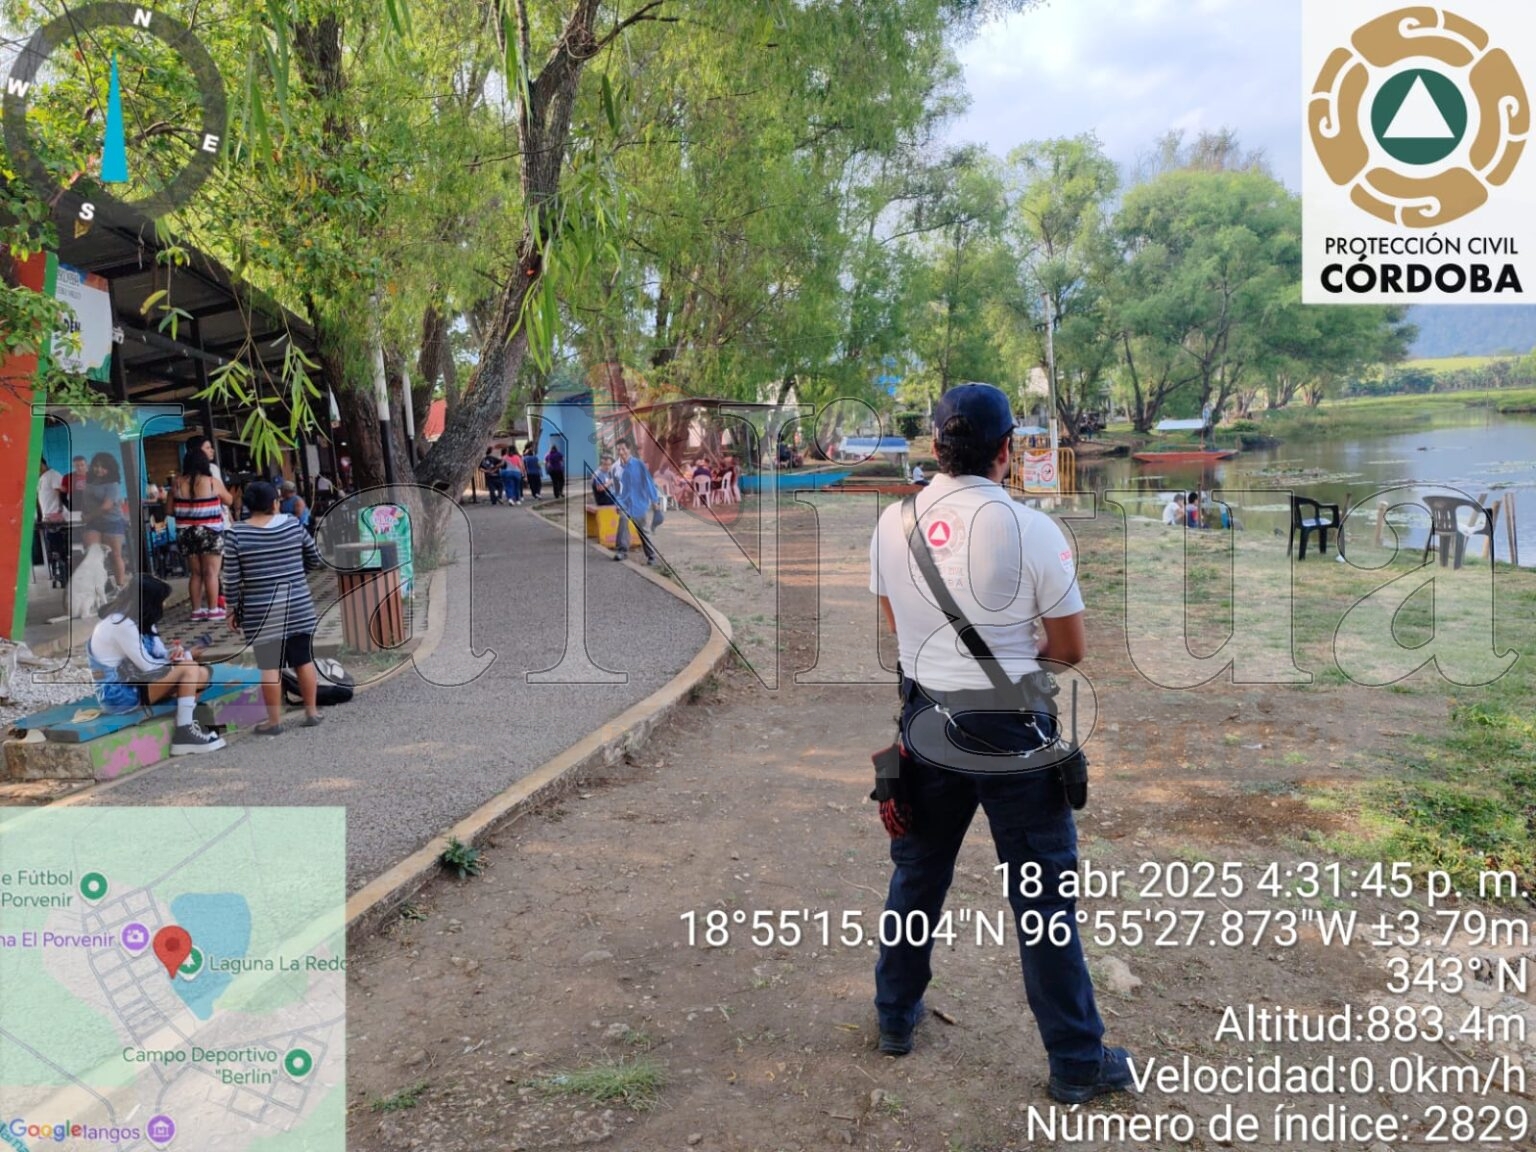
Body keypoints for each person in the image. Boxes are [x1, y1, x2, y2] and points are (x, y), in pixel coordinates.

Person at [866, 382, 1132, 1103]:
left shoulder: (893, 524)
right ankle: (1077, 1062)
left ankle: (895, 1015)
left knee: (917, 873)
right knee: (1042, 900)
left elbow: (898, 624)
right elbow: (1070, 649)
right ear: (1007, 450)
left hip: (925, 725)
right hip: (1012, 731)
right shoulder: (1034, 529)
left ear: (934, 445)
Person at [223, 481, 325, 735]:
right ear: (274, 503)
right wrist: (297, 573)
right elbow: (315, 557)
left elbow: (232, 578)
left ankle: (274, 721)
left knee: (269, 665)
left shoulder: (236, 533)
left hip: (261, 611)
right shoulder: (292, 525)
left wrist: (232, 608)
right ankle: (311, 712)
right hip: (298, 604)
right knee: (303, 660)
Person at [87, 574, 226, 754]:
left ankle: (188, 723)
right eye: (160, 602)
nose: (163, 607)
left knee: (202, 674)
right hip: (120, 695)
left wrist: (179, 654)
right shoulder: (120, 624)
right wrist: (183, 662)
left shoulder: (141, 620)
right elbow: (149, 667)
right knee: (190, 670)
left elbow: (159, 655)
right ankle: (184, 734)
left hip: (139, 683)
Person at [174, 443, 233, 621]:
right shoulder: (212, 482)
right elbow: (229, 500)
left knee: (196, 573)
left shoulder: (176, 482)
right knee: (211, 573)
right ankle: (213, 609)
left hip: (186, 533)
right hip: (210, 531)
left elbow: (169, 510)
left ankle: (197, 611)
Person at [81, 452, 129, 590]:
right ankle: (105, 584)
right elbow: (86, 501)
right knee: (92, 555)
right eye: (96, 466)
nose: (99, 470)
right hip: (93, 523)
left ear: (110, 469)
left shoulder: (112, 484)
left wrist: (88, 517)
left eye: (103, 467)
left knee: (115, 555)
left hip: (112, 522)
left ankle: (120, 586)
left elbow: (106, 507)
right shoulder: (89, 482)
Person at [612, 438, 659, 565]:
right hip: (624, 502)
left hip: (639, 502)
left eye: (623, 449)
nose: (621, 452)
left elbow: (648, 482)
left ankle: (651, 556)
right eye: (618, 450)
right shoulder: (616, 468)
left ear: (629, 449)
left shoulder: (639, 465)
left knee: (643, 529)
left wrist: (654, 500)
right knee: (623, 520)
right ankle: (622, 551)